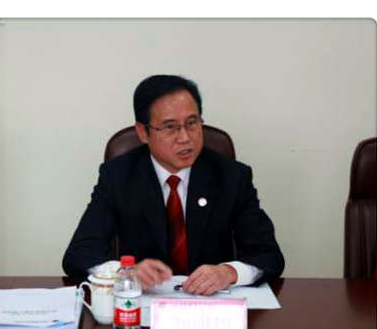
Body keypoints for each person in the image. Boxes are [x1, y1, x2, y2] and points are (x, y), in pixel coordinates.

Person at [63, 74, 284, 295]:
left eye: (192, 123)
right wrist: (125, 272)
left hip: (211, 305)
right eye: (170, 127)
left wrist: (228, 272)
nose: (185, 137)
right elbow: (79, 253)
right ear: (143, 132)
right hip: (141, 306)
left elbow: (269, 255)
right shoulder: (118, 176)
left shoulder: (232, 177)